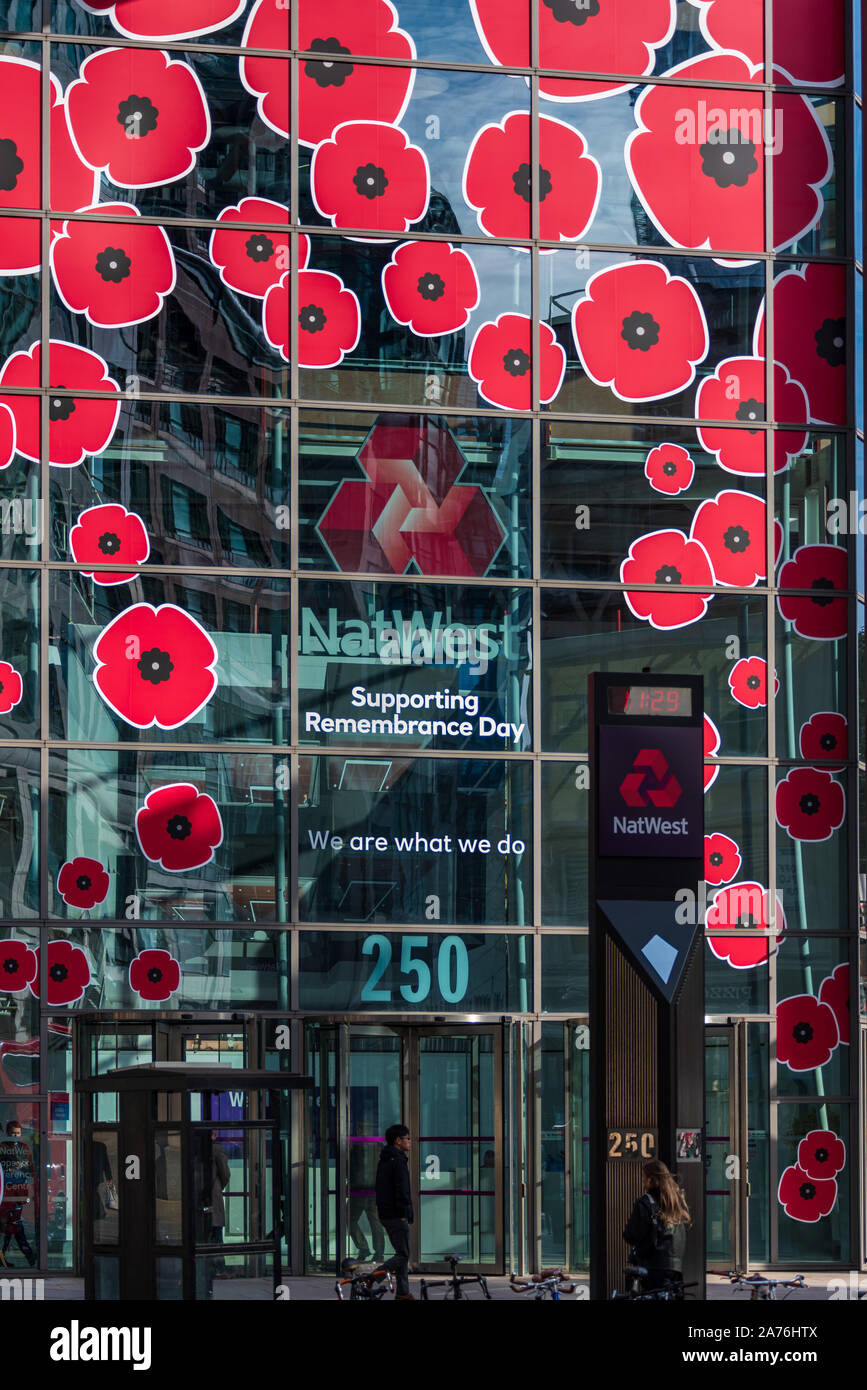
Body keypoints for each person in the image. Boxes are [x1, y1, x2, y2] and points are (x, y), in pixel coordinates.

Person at [622, 1159, 690, 1295]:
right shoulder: (676, 1202)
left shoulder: (645, 1203)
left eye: (643, 1177)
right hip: (675, 1269)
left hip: (653, 1268)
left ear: (651, 1179)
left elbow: (632, 1234)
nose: (642, 1181)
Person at [375, 1123, 414, 1301]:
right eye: (407, 1138)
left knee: (401, 1253)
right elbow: (402, 1190)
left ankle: (403, 1292)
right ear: (398, 1141)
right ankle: (373, 1277)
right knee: (403, 1255)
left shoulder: (385, 1159)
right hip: (397, 1215)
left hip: (386, 1214)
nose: (410, 1141)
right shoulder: (397, 1161)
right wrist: (404, 1213)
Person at [0, 1120, 36, 1267]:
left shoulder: (24, 1148)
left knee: (12, 1223)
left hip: (19, 1190)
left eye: (18, 1133)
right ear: (8, 1133)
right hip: (7, 1191)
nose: (15, 1136)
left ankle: (27, 1255)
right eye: (13, 1133)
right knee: (11, 1223)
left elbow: (30, 1167)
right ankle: (29, 1255)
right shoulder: (2, 1148)